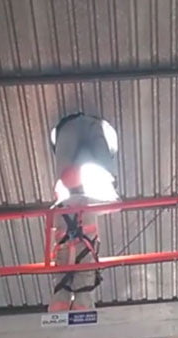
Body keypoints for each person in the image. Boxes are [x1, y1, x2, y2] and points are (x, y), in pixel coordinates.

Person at [48, 113, 119, 312]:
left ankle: (66, 309)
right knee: (79, 290)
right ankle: (75, 308)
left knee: (66, 288)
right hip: (80, 252)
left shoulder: (61, 206)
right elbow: (115, 205)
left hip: (70, 253)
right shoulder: (93, 196)